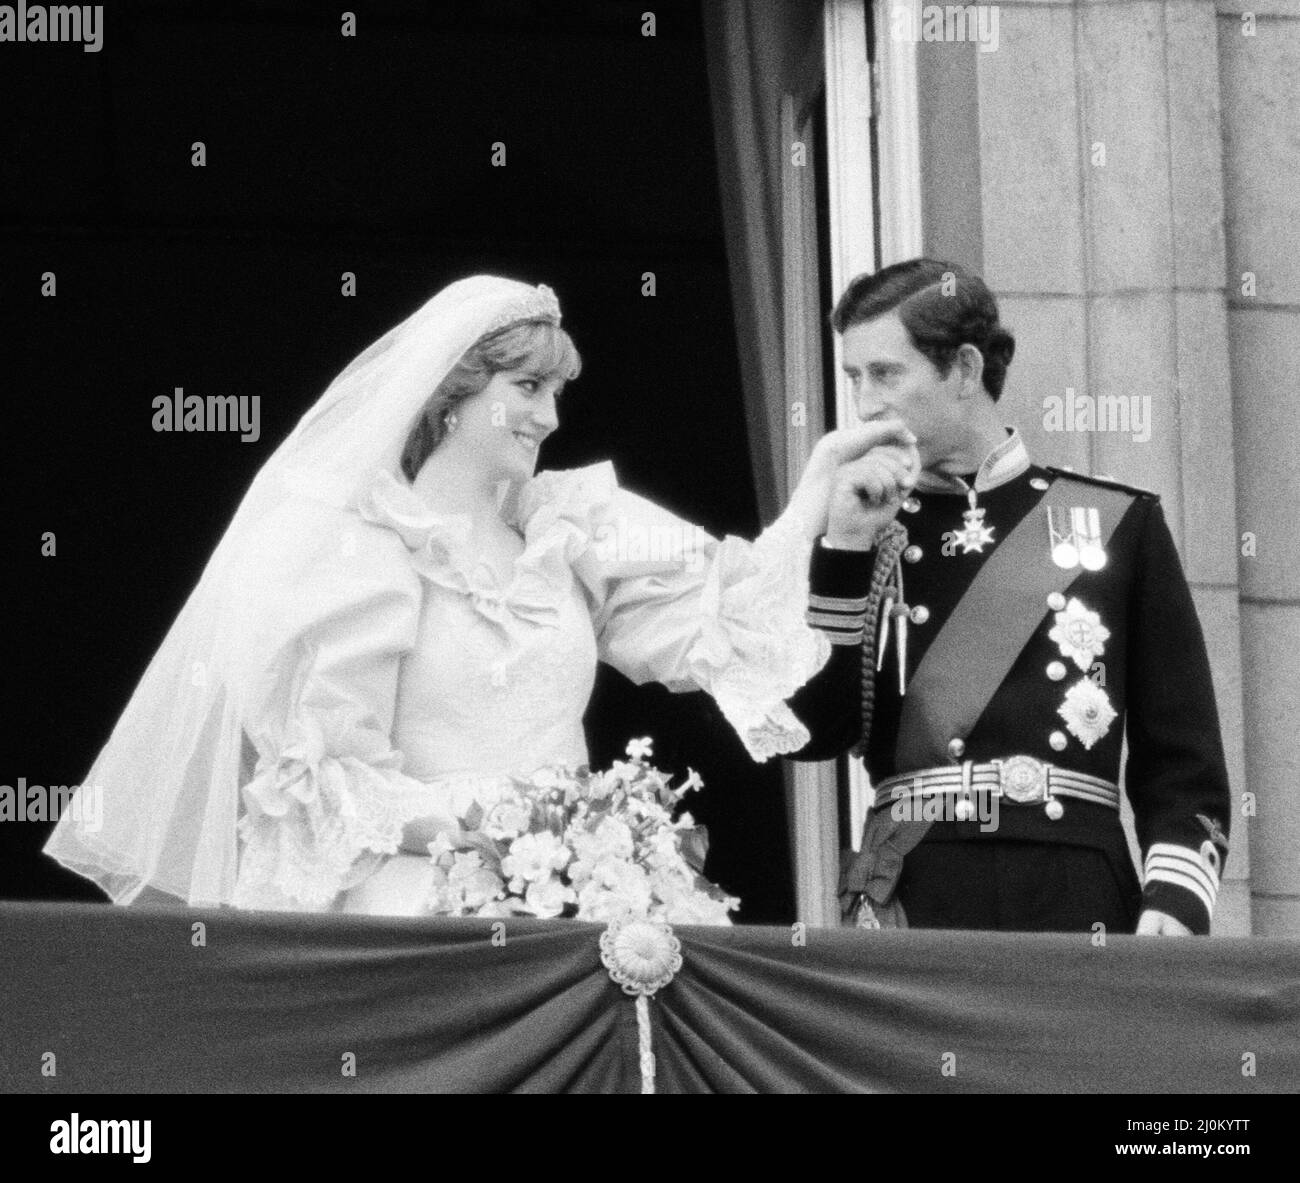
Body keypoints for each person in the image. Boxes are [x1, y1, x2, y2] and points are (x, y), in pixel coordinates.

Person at [44, 275, 906, 916]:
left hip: (579, 908)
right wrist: (516, 832)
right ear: (450, 396)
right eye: (526, 389)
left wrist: (814, 502)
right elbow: (327, 785)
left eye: (557, 392)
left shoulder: (569, 534)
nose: (550, 417)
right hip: (417, 909)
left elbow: (733, 627)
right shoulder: (355, 555)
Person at [788, 258, 1231, 937]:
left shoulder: (1117, 521)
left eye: (885, 373)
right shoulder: (856, 527)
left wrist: (1174, 896)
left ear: (965, 368)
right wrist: (844, 549)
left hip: (1077, 895)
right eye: (855, 377)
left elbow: (1184, 755)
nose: (865, 402)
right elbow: (812, 731)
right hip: (916, 893)